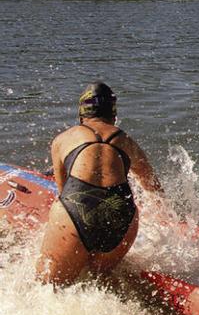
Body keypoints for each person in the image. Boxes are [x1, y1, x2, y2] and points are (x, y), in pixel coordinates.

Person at [38, 82, 164, 286]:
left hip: (75, 208)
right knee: (99, 282)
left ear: (81, 114)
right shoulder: (126, 140)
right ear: (113, 115)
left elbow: (62, 192)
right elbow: (153, 187)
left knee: (49, 286)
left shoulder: (63, 139)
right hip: (121, 214)